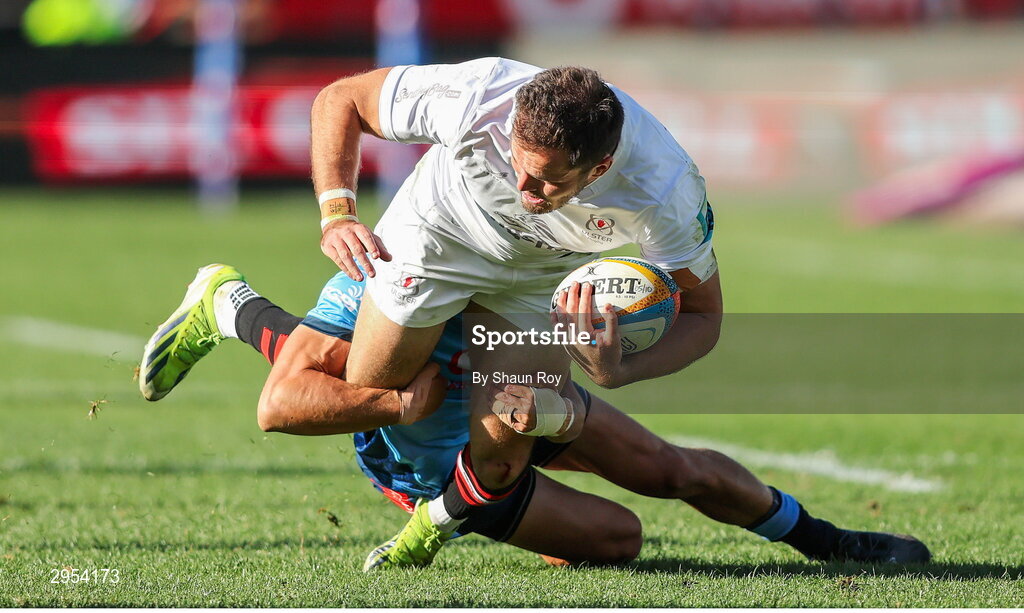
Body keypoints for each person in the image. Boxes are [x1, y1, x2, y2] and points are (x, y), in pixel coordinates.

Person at [139, 264, 931, 569]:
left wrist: (600, 355)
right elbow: (280, 403)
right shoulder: (395, 275)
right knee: (619, 539)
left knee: (673, 468)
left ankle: (830, 541)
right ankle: (229, 305)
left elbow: (565, 366)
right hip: (427, 453)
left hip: (516, 397)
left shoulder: (533, 268)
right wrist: (390, 400)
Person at [308, 59, 725, 567]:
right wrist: (337, 213)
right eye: (518, 163)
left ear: (599, 170)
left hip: (538, 281)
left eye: (548, 181)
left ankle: (436, 518)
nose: (524, 188)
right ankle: (236, 309)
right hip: (438, 238)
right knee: (372, 390)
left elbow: (703, 318)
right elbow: (340, 98)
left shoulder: (664, 190)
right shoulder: (480, 94)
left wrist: (621, 371)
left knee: (504, 454)